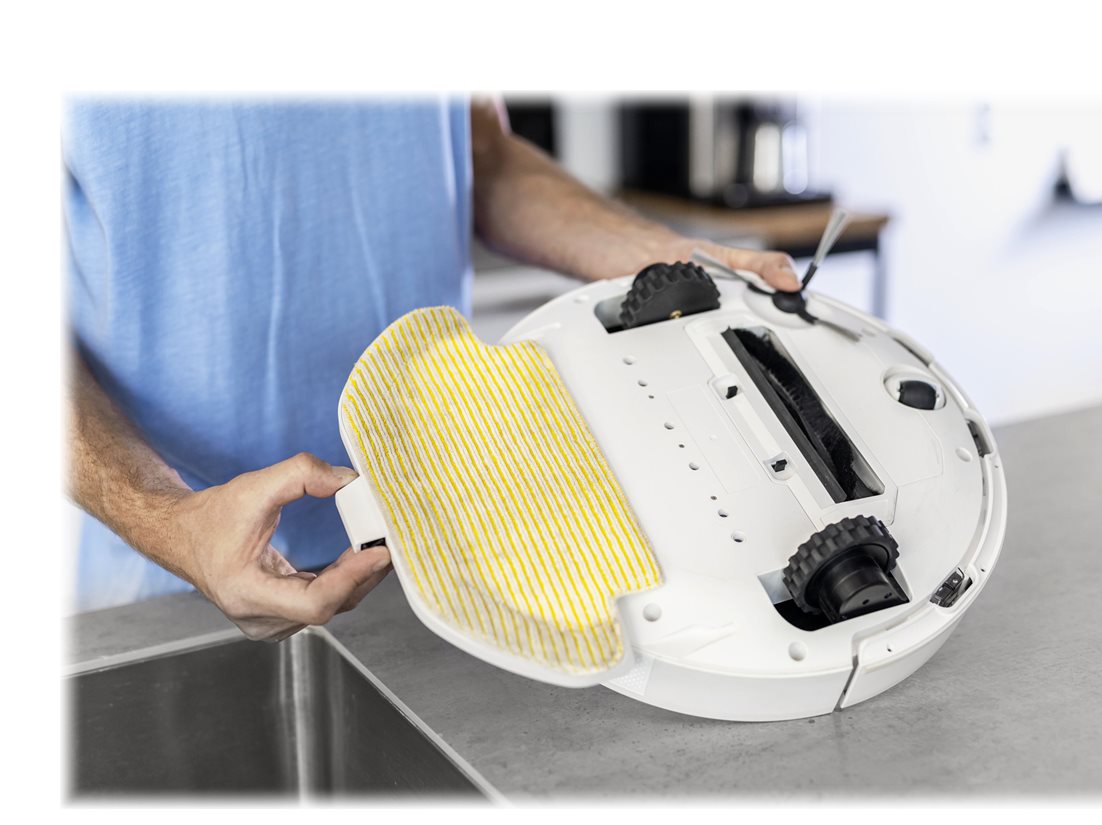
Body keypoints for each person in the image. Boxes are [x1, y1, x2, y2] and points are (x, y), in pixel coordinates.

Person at [66, 96, 804, 641]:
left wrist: (664, 264)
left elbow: (482, 156)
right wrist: (169, 521)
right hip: (174, 576)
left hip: (457, 554)